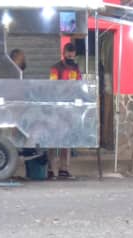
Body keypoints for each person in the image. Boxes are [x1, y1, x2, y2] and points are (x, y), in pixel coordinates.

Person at [48, 42, 80, 179]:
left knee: (66, 140)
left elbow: (79, 85)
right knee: (52, 139)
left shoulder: (76, 68)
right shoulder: (56, 68)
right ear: (64, 53)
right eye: (68, 55)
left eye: (72, 56)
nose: (70, 58)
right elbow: (53, 86)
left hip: (69, 109)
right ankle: (50, 169)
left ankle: (64, 170)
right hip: (56, 108)